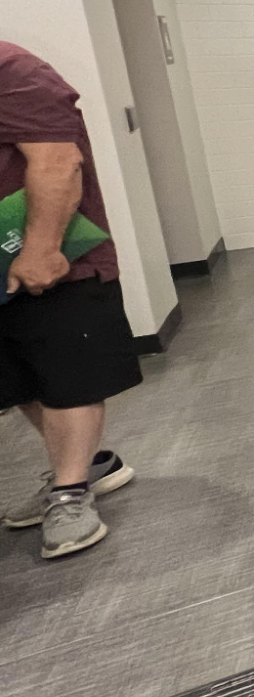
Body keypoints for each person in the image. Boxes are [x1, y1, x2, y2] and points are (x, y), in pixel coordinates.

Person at [0, 43, 141, 560]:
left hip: (52, 259)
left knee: (67, 373)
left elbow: (59, 162)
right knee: (20, 377)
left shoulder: (12, 69)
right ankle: (87, 464)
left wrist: (40, 250)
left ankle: (70, 487)